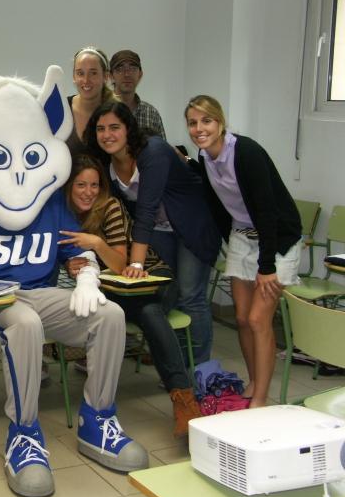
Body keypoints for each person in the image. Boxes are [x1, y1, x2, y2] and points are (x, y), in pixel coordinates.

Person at [0, 64, 148, 497]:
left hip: (39, 294)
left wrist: (89, 276)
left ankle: (98, 419)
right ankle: (25, 433)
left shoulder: (49, 200)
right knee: (26, 324)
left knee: (110, 314)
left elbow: (78, 250)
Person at [58, 154, 201, 436]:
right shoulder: (63, 213)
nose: (89, 192)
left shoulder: (109, 207)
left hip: (152, 280)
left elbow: (121, 265)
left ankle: (184, 400)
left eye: (94, 185)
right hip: (116, 291)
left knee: (148, 311)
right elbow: (66, 254)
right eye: (81, 185)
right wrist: (69, 262)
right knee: (125, 312)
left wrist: (96, 244)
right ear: (68, 187)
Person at [185, 95, 302, 408]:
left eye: (206, 121)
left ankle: (261, 398)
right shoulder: (205, 157)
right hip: (242, 236)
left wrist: (266, 267)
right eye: (193, 123)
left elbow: (265, 211)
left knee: (257, 319)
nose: (199, 128)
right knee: (241, 317)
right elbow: (219, 207)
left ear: (220, 123)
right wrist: (233, 243)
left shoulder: (245, 152)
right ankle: (253, 383)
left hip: (277, 240)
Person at [84, 101, 221, 364]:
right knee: (171, 292)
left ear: (128, 129)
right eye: (100, 129)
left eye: (115, 127)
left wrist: (135, 262)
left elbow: (146, 209)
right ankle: (178, 364)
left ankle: (199, 370)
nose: (107, 134)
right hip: (159, 230)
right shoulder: (106, 160)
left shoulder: (153, 150)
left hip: (193, 226)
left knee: (191, 296)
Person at [66, 46, 116, 155]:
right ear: (74, 77)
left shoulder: (117, 113)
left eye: (93, 73)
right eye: (80, 73)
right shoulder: (61, 108)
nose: (86, 80)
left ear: (105, 76)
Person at [109, 50, 166, 139]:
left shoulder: (151, 113)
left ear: (140, 75)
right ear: (111, 76)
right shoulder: (99, 111)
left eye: (133, 68)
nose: (127, 74)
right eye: (120, 69)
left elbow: (161, 150)